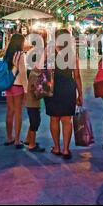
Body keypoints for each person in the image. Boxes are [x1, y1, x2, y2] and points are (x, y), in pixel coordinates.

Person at [44, 29, 83, 160]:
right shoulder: (72, 54)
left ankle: (57, 148)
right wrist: (80, 94)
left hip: (53, 88)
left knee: (54, 118)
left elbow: (44, 70)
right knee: (67, 119)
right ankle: (66, 150)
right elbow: (77, 76)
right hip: (68, 88)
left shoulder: (50, 52)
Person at [3, 33, 28, 149]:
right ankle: (17, 140)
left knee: (9, 112)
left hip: (8, 85)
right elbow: (23, 74)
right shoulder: (20, 55)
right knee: (18, 113)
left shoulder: (7, 54)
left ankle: (9, 137)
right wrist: (27, 90)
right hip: (18, 86)